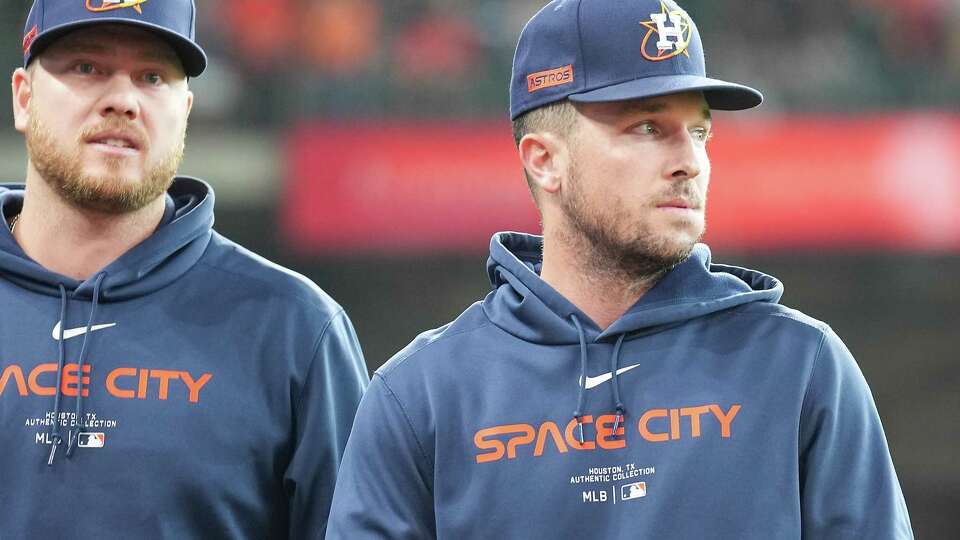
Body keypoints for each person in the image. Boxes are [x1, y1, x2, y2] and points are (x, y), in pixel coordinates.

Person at [325, 0, 913, 538]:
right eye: (649, 128)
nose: (690, 161)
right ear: (545, 160)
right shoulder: (419, 395)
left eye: (700, 130)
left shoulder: (802, 366)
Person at [0, 1, 368, 538]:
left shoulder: (294, 329)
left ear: (186, 110)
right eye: (87, 68)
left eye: (152, 77)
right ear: (24, 98)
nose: (123, 100)